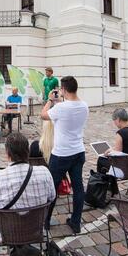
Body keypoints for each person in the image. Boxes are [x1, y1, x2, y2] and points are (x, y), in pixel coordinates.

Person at [0, 132, 55, 256]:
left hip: (7, 232)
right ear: (28, 152)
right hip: (35, 228)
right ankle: (21, 247)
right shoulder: (44, 172)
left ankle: (18, 248)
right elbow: (52, 197)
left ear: (7, 154)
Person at [41, 76, 88, 234]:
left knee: (51, 187)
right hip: (78, 151)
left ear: (64, 89)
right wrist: (60, 100)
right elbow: (68, 109)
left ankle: (46, 220)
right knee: (78, 187)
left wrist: (49, 100)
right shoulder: (84, 106)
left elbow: (43, 115)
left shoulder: (61, 108)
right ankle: (76, 222)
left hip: (61, 153)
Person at [96, 108, 128, 178]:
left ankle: (104, 185)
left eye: (114, 120)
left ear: (118, 119)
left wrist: (109, 151)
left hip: (126, 170)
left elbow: (117, 155)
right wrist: (113, 149)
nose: (114, 123)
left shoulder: (121, 133)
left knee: (101, 160)